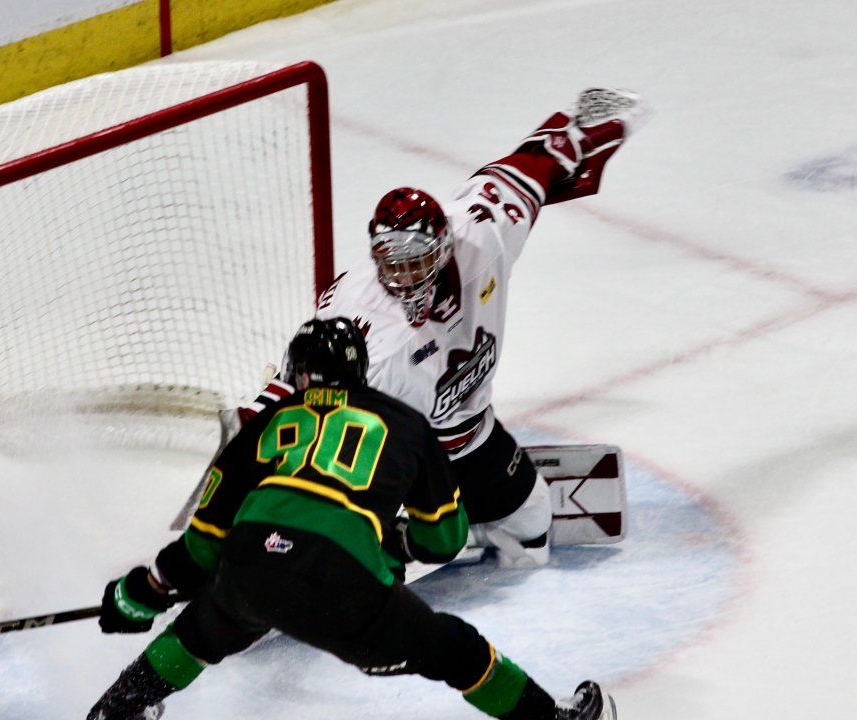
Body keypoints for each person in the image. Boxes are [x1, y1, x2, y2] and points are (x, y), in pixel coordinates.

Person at [87, 317, 617, 720]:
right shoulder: (407, 424)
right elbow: (444, 540)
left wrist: (144, 591)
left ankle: (112, 712)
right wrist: (397, 538)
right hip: (342, 581)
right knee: (455, 648)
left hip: (251, 563)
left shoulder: (269, 419)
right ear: (359, 371)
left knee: (197, 632)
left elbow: (202, 545)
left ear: (296, 374)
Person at [239, 88, 646, 566]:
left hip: (467, 435)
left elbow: (526, 171)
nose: (405, 277)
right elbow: (306, 379)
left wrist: (581, 133)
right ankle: (388, 542)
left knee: (535, 528)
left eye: (418, 262)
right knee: (356, 553)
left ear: (445, 247)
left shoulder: (482, 234)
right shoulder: (357, 313)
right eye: (393, 263)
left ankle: (445, 535)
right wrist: (252, 433)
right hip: (384, 452)